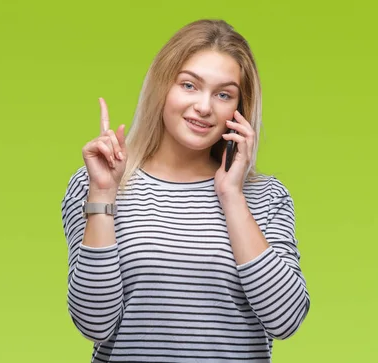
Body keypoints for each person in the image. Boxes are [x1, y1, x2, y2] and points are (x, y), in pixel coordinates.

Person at [60, 19, 310, 362]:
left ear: (238, 111)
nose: (204, 107)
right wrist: (103, 194)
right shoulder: (96, 183)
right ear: (162, 86)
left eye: (224, 94)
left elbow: (286, 319)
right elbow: (93, 323)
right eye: (190, 85)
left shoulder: (265, 196)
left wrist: (232, 198)